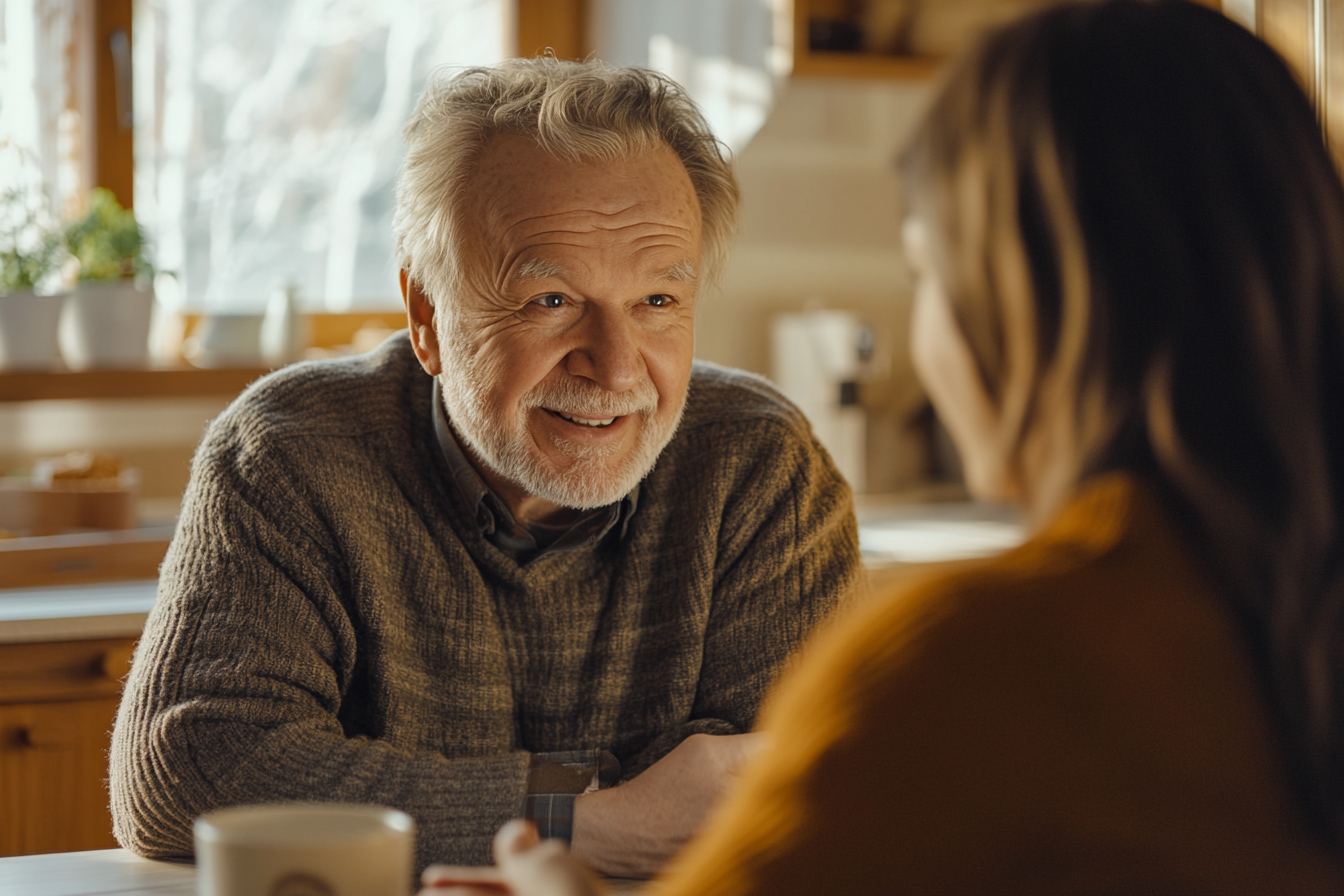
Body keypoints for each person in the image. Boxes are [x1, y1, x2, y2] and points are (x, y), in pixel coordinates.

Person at [420, 2, 1344, 893]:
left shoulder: (978, 662)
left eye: (926, 273)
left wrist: (558, 879)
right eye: (550, 299)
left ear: (1015, 310)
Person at [108, 59, 861, 876]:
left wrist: (383, 792)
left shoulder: (760, 465)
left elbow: (806, 790)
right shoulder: (290, 452)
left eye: (656, 302)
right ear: (427, 318)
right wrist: (585, 824)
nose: (614, 369)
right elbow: (192, 770)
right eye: (550, 301)